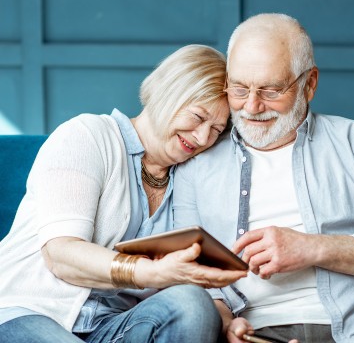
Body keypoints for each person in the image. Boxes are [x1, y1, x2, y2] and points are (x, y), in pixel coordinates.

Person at [173, 14, 354, 343]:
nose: (251, 106)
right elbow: (194, 273)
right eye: (239, 88)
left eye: (270, 89)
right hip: (257, 333)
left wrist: (311, 247)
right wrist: (225, 323)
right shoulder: (197, 165)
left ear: (309, 84)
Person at [0, 44, 248, 343]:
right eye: (198, 117)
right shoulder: (87, 135)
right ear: (166, 92)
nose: (202, 137)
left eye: (216, 129)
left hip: (112, 327)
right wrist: (148, 273)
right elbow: (60, 254)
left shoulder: (189, 179)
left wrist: (226, 322)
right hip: (29, 311)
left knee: (193, 304)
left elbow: (199, 280)